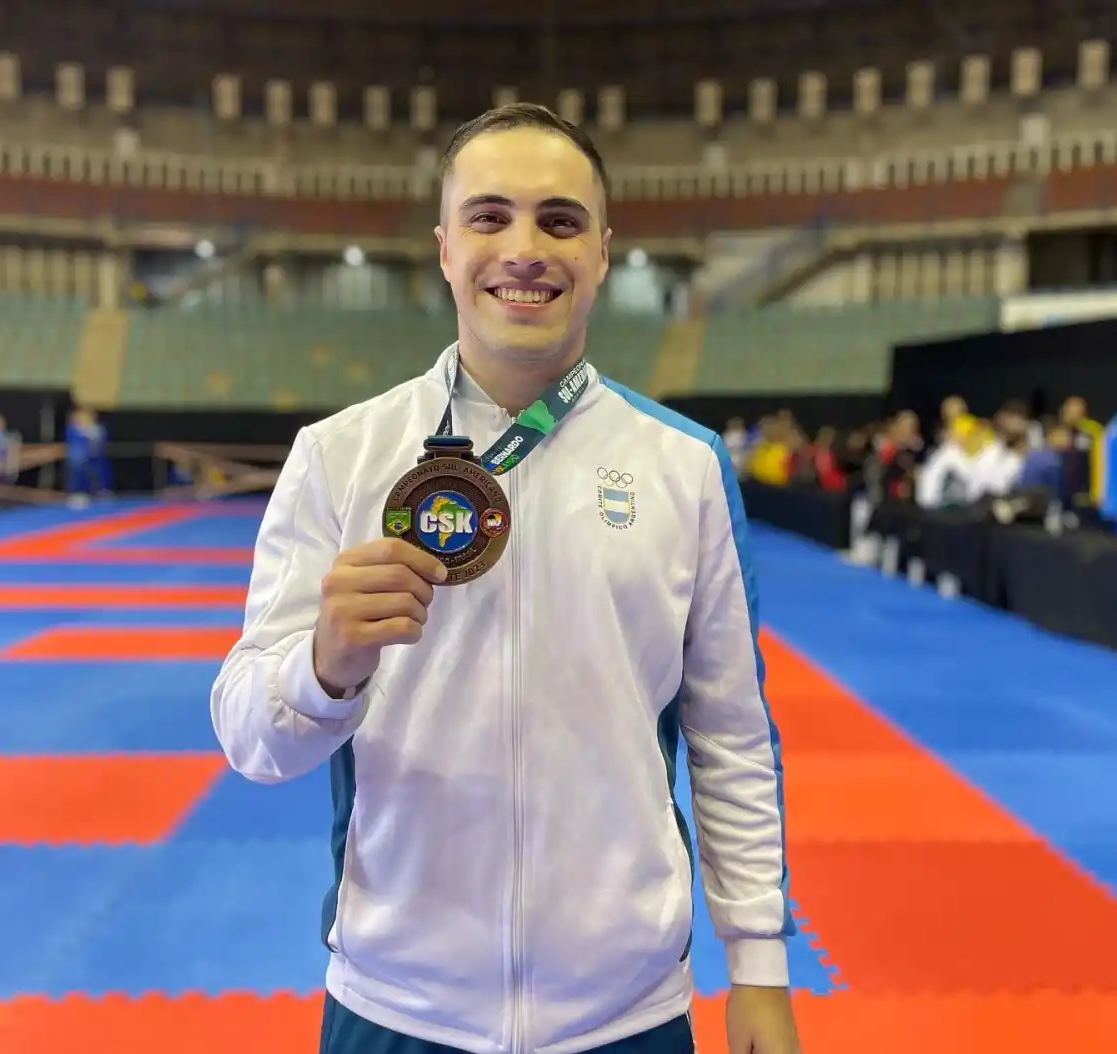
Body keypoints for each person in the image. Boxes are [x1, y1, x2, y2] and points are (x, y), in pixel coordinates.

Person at [211, 103, 800, 1054]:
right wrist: (321, 668)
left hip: (627, 1012)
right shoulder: (340, 457)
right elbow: (249, 738)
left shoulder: (683, 467)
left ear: (603, 252)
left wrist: (760, 965)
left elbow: (730, 732)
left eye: (559, 221)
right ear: (444, 247)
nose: (523, 248)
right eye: (489, 218)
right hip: (395, 1005)